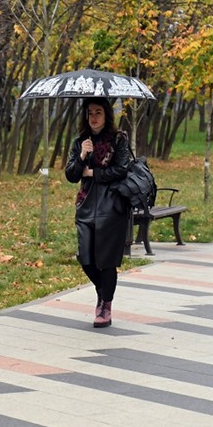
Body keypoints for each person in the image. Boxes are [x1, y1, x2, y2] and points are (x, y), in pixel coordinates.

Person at [65, 97, 131, 328]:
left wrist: (94, 173)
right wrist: (82, 156)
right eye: (90, 112)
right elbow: (71, 175)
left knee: (107, 261)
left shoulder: (118, 139)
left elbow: (122, 169)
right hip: (85, 206)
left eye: (98, 112)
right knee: (85, 258)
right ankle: (102, 291)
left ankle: (105, 306)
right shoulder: (80, 142)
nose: (93, 117)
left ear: (106, 115)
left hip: (111, 207)